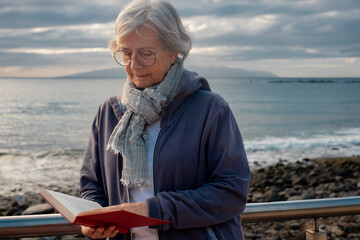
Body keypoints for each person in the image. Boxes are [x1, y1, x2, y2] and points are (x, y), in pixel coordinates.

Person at [79, 0, 250, 239]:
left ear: (175, 52)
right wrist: (92, 218)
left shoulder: (211, 109)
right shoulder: (109, 111)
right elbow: (91, 184)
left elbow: (231, 192)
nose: (133, 65)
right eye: (125, 53)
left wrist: (152, 210)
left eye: (146, 54)